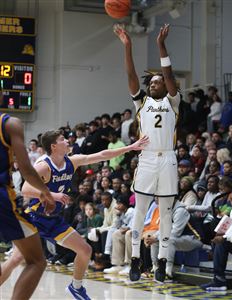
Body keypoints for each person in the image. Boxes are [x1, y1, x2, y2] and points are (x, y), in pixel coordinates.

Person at [2, 130, 148, 300]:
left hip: (53, 220)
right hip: (34, 218)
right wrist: (52, 195)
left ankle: (76, 287)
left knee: (85, 250)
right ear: (54, 146)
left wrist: (131, 147)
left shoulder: (72, 161)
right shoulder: (44, 166)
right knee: (16, 259)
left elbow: (102, 155)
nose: (67, 141)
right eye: (62, 139)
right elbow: (26, 188)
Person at [114, 23, 180, 282]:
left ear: (166, 85)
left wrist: (161, 46)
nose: (154, 84)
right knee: (140, 211)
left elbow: (169, 74)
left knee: (165, 213)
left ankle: (161, 261)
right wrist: (128, 46)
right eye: (151, 82)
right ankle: (134, 259)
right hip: (148, 158)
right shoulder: (141, 103)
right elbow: (130, 75)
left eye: (158, 81)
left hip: (168, 158)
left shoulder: (173, 101)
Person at [0, 102, 55, 299]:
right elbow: (25, 168)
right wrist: (45, 191)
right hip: (2, 198)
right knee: (36, 261)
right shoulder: (9, 123)